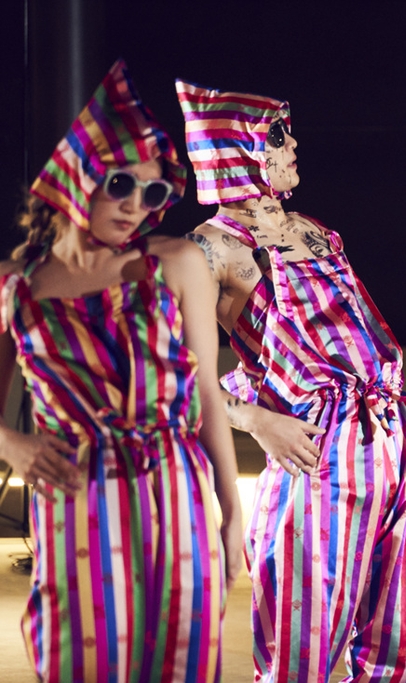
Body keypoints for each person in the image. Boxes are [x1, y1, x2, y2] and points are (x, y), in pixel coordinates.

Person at [175, 79, 406, 682]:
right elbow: (179, 373)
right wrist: (257, 420)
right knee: (302, 639)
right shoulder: (209, 247)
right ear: (235, 154)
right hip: (318, 446)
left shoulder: (312, 229)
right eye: (276, 137)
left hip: (393, 432)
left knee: (399, 631)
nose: (293, 146)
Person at [0, 60, 243, 682]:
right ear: (76, 174)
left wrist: (230, 510)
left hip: (174, 489)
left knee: (179, 656)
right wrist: (13, 445)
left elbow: (207, 396)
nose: (137, 205)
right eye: (121, 183)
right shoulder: (17, 287)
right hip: (74, 496)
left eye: (154, 191)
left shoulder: (178, 262)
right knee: (78, 658)